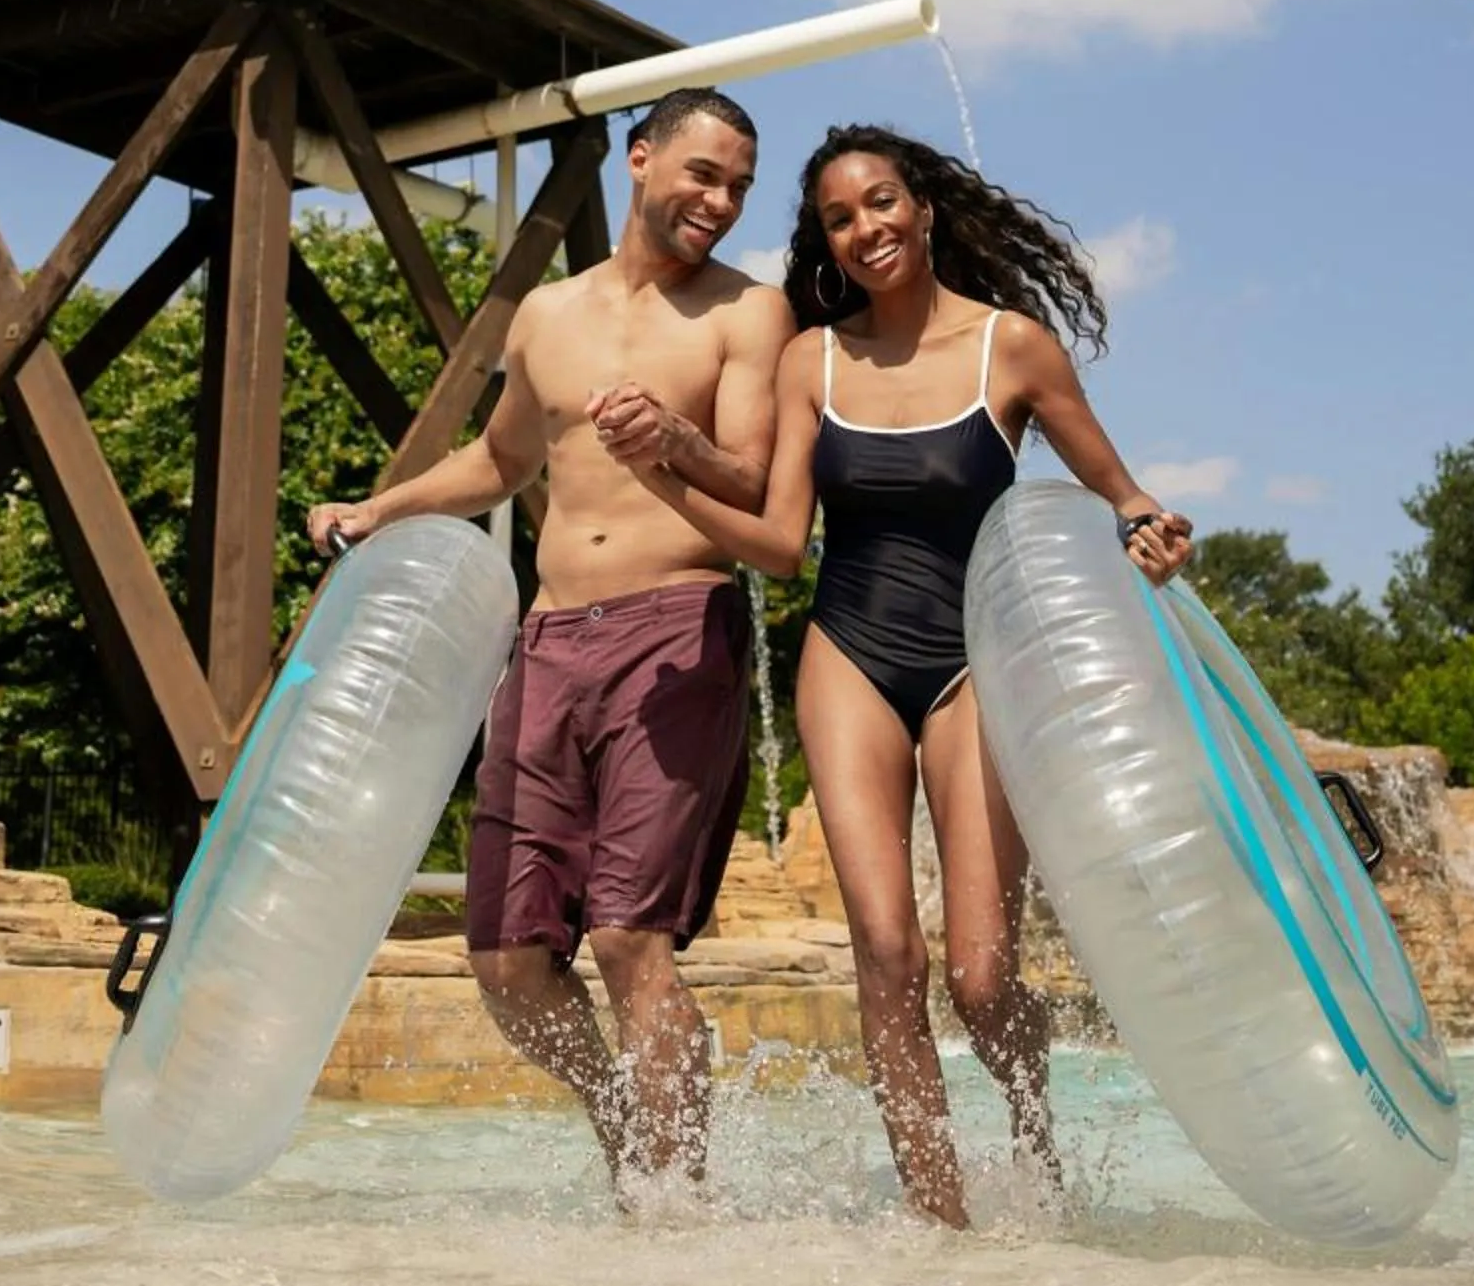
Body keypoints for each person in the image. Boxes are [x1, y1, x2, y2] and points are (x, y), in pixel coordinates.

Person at [626, 125, 1192, 1228]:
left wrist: (1153, 530)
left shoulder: (1012, 349)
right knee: (887, 948)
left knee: (983, 981)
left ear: (922, 207)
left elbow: (1120, 494)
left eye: (880, 202)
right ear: (828, 242)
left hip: (978, 662)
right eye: (840, 218)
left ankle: (1033, 1138)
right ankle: (943, 1215)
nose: (865, 228)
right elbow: (784, 542)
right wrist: (667, 480)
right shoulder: (812, 358)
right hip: (849, 650)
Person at [305, 88, 795, 1194]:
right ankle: (633, 1136)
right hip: (548, 641)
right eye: (704, 174)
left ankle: (676, 1208)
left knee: (628, 939)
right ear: (640, 158)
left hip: (677, 627)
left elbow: (758, 482)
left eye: (738, 187)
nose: (719, 201)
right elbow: (498, 461)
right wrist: (377, 509)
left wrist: (675, 437)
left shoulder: (745, 314)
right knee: (508, 961)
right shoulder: (545, 315)